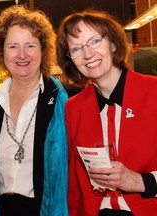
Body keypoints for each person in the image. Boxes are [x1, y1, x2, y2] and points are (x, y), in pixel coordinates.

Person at [56, 9, 157, 216]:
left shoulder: (153, 92)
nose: (87, 54)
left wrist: (141, 181)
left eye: (94, 41)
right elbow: (74, 182)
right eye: (76, 49)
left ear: (112, 44)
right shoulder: (74, 107)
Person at [0, 5, 69, 216]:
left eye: (30, 45)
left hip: (43, 209)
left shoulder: (62, 100)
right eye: (13, 46)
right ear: (1, 52)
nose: (22, 55)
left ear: (43, 49)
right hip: (0, 210)